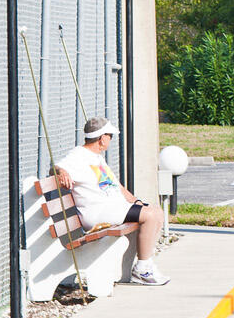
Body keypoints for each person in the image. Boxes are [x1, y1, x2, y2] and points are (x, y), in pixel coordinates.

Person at [53, 116, 170, 286]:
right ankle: (142, 269)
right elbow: (55, 167)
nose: (111, 140)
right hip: (98, 213)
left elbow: (117, 187)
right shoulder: (78, 156)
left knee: (156, 213)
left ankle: (146, 264)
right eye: (110, 136)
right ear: (102, 138)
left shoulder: (97, 157)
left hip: (113, 208)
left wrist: (136, 201)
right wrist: (61, 172)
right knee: (150, 216)